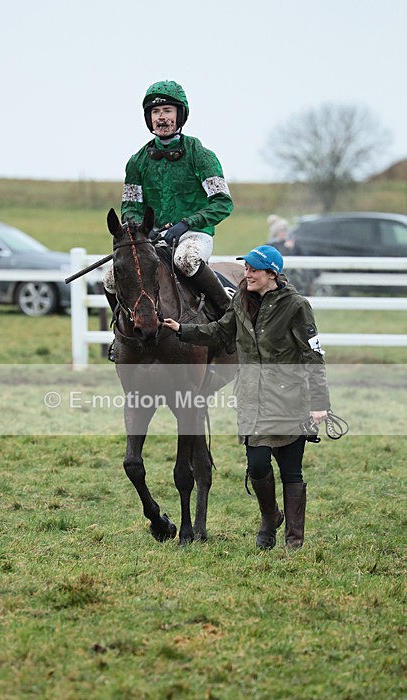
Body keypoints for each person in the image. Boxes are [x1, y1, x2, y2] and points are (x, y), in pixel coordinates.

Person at [163, 245, 330, 550]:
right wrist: (181, 330)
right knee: (257, 465)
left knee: (291, 470)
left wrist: (320, 402)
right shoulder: (241, 300)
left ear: (272, 274)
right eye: (247, 268)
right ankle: (270, 518)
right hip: (251, 399)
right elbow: (220, 332)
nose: (248, 274)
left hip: (289, 399)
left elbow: (313, 355)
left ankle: (294, 541)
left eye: (254, 270)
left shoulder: (296, 306)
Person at [104, 80, 234, 318]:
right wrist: (144, 229)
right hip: (151, 239)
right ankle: (122, 331)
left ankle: (229, 317)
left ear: (180, 115)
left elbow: (223, 203)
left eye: (167, 111)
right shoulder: (136, 162)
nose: (161, 118)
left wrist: (186, 223)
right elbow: (130, 207)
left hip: (194, 234)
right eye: (155, 112)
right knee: (111, 278)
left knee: (185, 259)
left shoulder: (201, 156)